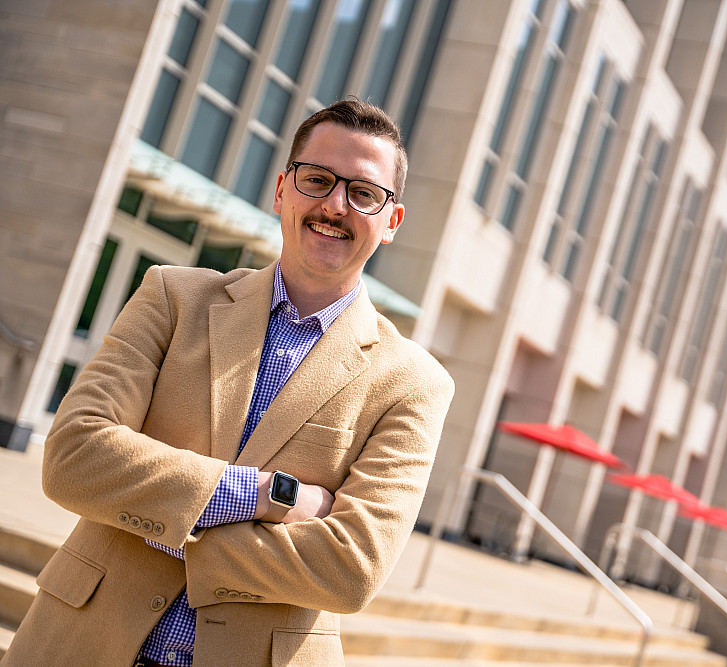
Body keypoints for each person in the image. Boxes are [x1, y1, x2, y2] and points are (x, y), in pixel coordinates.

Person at [2, 98, 454, 666]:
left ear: (391, 221)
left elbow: (352, 568)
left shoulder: (414, 383)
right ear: (281, 191)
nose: (335, 205)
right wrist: (268, 497)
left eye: (363, 193)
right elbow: (73, 455)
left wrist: (171, 514)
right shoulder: (172, 298)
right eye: (317, 180)